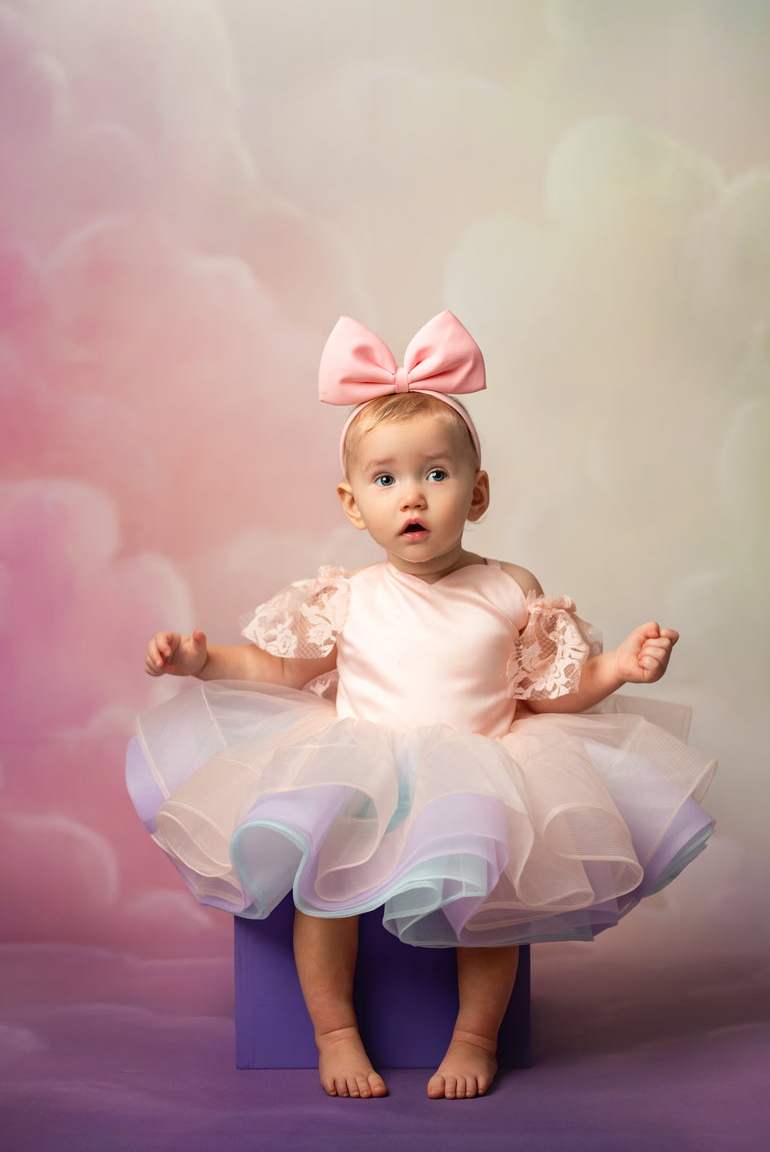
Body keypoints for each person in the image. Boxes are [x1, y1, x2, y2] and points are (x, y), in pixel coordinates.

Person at [129, 312, 716, 1102]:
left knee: (489, 903)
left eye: (436, 475)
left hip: (482, 764)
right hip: (360, 762)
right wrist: (203, 662)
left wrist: (616, 666)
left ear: (477, 494)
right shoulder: (352, 594)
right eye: (386, 479)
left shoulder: (511, 586)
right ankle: (334, 1030)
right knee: (321, 892)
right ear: (351, 503)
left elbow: (546, 688)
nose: (412, 496)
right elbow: (282, 666)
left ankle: (474, 1036)